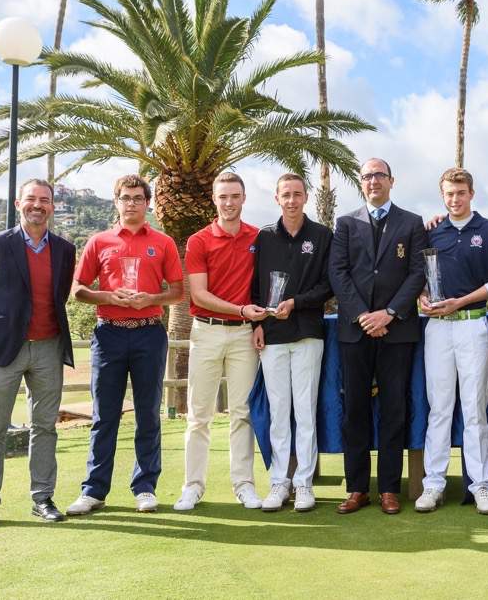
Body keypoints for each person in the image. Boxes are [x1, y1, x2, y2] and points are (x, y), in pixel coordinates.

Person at [66, 174, 183, 516]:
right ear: (115, 202)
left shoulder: (162, 243)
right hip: (109, 334)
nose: (131, 203)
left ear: (147, 203)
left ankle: (145, 486)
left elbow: (177, 291)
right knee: (105, 415)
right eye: (125, 197)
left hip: (149, 332)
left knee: (148, 413)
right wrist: (107, 295)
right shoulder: (99, 241)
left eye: (137, 198)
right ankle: (93, 490)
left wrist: (152, 297)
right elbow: (78, 289)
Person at [0, 179, 76, 530]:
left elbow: (60, 295)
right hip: (4, 350)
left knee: (44, 427)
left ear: (53, 206)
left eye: (44, 200)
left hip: (48, 347)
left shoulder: (64, 249)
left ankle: (42, 498)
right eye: (31, 199)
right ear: (18, 203)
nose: (37, 205)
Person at [328, 158, 426, 515]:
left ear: (391, 180)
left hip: (396, 330)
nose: (373, 181)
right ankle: (356, 488)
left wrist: (389, 313)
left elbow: (417, 274)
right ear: (361, 181)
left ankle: (388, 488)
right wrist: (362, 316)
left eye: (379, 175)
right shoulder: (345, 222)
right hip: (355, 332)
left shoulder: (412, 223)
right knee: (354, 408)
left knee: (394, 409)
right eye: (367, 176)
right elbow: (338, 273)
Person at [415, 168, 488, 516]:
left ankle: (481, 485)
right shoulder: (432, 232)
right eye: (449, 194)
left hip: (473, 324)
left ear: (472, 193)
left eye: (460, 193)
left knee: (473, 409)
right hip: (438, 328)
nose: (454, 199)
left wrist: (463, 300)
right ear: (442, 195)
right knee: (439, 409)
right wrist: (424, 296)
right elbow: (420, 277)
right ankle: (433, 485)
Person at [173, 172, 266, 512]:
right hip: (207, 331)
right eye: (223, 197)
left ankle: (244, 485)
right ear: (214, 199)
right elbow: (198, 294)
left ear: (243, 198)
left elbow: (261, 287)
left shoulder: (258, 238)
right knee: (199, 415)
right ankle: (192, 487)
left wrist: (256, 321)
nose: (229, 203)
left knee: (242, 414)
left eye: (234, 196)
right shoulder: (198, 241)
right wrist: (242, 309)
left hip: (244, 334)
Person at [251, 173, 333, 512]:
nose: (292, 200)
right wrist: (255, 322)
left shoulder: (322, 235)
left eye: (297, 194)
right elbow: (254, 286)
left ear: (306, 197)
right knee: (279, 412)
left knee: (305, 412)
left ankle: (303, 484)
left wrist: (296, 303)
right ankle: (278, 482)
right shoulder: (264, 238)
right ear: (277, 198)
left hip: (308, 333)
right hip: (271, 335)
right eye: (286, 194)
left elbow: (329, 285)